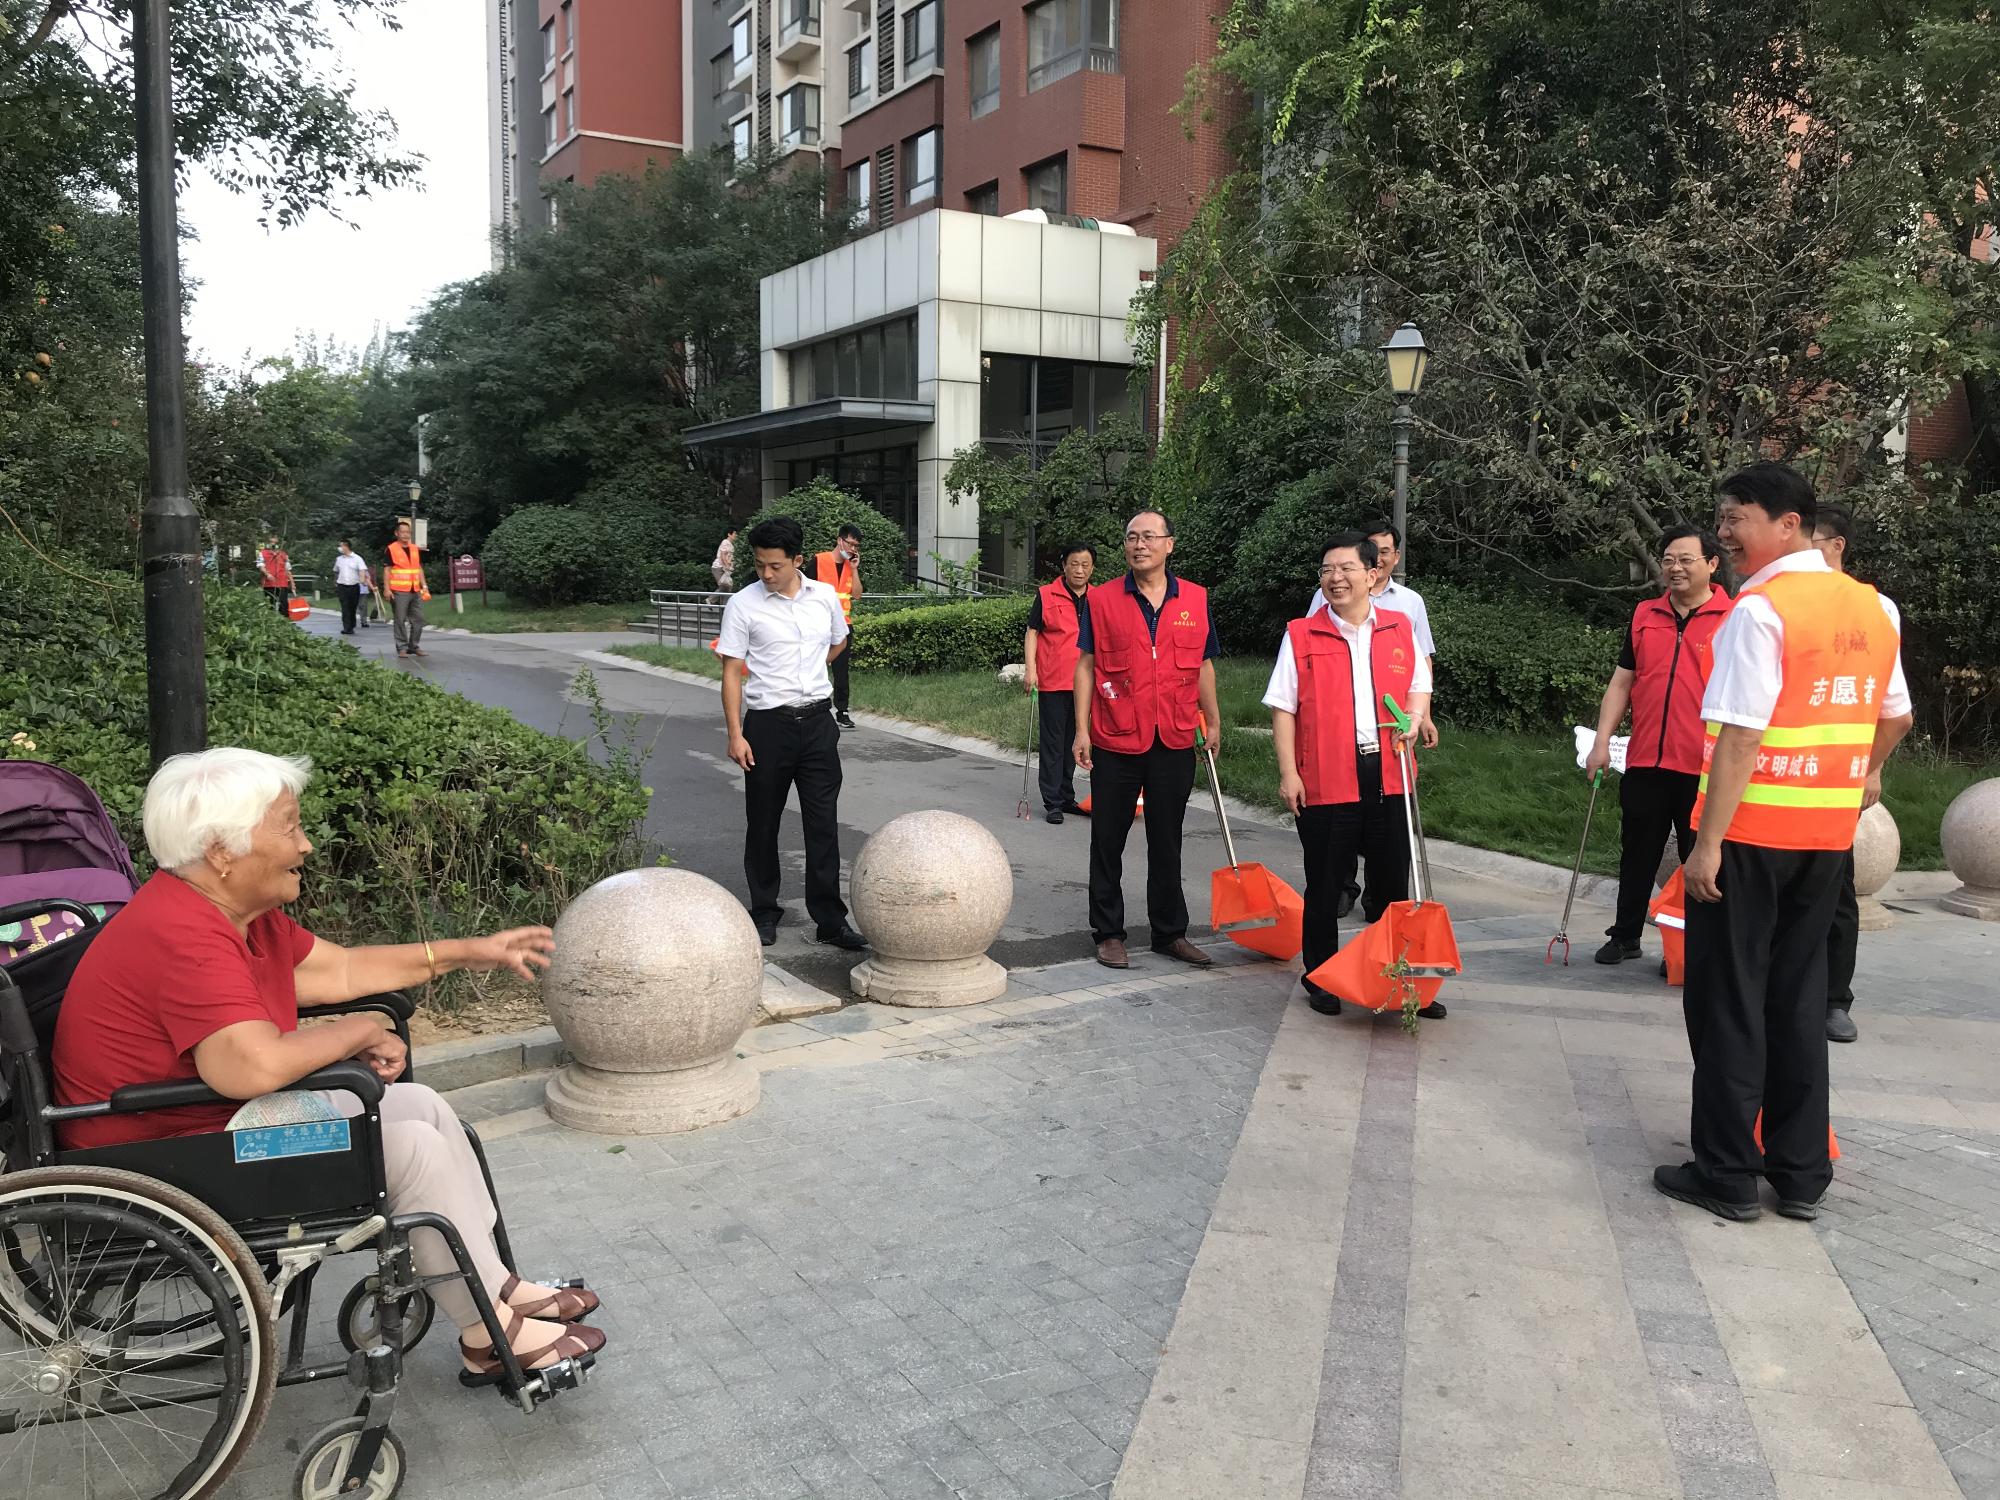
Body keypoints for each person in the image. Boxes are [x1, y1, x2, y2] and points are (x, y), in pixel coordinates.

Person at [51, 748, 607, 1382]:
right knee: (408, 1150)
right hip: (160, 1159)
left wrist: (469, 951)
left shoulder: (233, 915)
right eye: (289, 827)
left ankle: (497, 1285)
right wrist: (356, 1031)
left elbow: (341, 970)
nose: (306, 845)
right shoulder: (184, 934)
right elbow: (251, 1069)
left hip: (206, 1127)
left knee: (421, 1107)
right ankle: (487, 1333)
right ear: (222, 851)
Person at [1655, 463, 1912, 1223]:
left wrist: (1706, 845)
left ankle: (1727, 1172)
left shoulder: (1760, 610)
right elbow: (1897, 716)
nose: (1724, 535)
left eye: (1735, 518)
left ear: (1788, 523)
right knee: (1799, 999)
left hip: (1749, 839)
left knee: (1730, 1000)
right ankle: (1801, 1175)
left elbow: (1739, 736)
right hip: (1824, 838)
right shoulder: (1874, 607)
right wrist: (1859, 777)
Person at [1266, 532, 1445, 1019]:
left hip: (1389, 772)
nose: (1335, 578)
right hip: (1326, 775)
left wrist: (1414, 717)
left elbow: (1419, 684)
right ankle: (1321, 976)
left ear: (1372, 574)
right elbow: (1283, 709)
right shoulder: (1301, 634)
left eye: (1346, 568)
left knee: (1393, 887)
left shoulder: (1399, 628)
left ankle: (1400, 977)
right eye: (1327, 570)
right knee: (1326, 884)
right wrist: (1289, 773)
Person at [1073, 509, 1222, 971]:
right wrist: (1081, 729)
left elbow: (1204, 664)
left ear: (1169, 545)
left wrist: (1213, 720)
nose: (1140, 545)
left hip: (1174, 737)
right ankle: (1108, 933)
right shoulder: (1101, 599)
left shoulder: (1195, 598)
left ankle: (1170, 932)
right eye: (1132, 537)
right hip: (1116, 736)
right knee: (1107, 839)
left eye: (1150, 537)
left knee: (1167, 839)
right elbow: (1086, 666)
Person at [717, 516, 867, 952]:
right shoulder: (743, 604)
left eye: (775, 566)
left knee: (823, 824)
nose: (766, 573)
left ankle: (830, 921)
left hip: (818, 724)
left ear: (797, 560)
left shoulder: (824, 597)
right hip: (768, 726)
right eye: (759, 564)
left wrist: (812, 667)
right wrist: (735, 734)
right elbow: (731, 672)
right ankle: (764, 911)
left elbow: (839, 641)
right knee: (763, 822)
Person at [1585, 526, 1733, 964]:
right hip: (1647, 758)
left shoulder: (1733, 619)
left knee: (1699, 860)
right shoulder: (1645, 615)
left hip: (1703, 765)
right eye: (1668, 559)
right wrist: (1601, 742)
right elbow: (1622, 682)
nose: (1675, 568)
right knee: (1637, 853)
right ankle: (1626, 935)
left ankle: (1691, 949)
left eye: (1686, 559)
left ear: (1712, 564)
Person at [1811, 503, 1906, 1044]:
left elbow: (1888, 704)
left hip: (1838, 776)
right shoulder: (1777, 601)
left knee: (1836, 889)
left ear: (1837, 545)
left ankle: (1834, 1000)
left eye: (1813, 543)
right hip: (1784, 776)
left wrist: (1872, 768)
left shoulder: (1875, 609)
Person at [1306, 519, 1436, 912]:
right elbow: (1310, 651)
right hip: (1340, 737)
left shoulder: (1409, 603)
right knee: (1342, 818)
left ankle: (1384, 904)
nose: (1378, 557)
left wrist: (1421, 716)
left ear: (1392, 558)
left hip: (1390, 733)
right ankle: (1343, 889)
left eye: (1384, 551)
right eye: (1372, 549)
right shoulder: (1330, 595)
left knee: (1390, 829)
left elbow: (1421, 664)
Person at [1023, 542, 1095, 823]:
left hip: (1086, 684)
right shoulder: (1046, 594)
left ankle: (1067, 797)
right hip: (1053, 681)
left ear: (1092, 568)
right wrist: (1031, 670)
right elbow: (1032, 632)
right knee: (1053, 743)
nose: (1079, 570)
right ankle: (1052, 801)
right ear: (1064, 565)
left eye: (1085, 565)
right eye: (1074, 564)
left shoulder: (1099, 598)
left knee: (1074, 741)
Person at [811, 524, 864, 729]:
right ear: (839, 540)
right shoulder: (819, 560)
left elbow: (857, 594)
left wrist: (854, 569)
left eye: (856, 546)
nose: (853, 549)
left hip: (843, 626)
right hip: (818, 625)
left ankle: (842, 711)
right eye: (850, 544)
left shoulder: (851, 566)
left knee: (842, 672)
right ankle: (816, 707)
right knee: (816, 666)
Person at [385, 518, 430, 659]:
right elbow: (387, 570)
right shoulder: (391, 549)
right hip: (399, 590)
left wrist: (424, 585)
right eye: (403, 532)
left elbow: (418, 568)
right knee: (400, 620)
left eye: (408, 532)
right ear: (397, 533)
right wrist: (387, 589)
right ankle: (402, 648)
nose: (406, 534)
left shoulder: (414, 548)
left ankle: (414, 646)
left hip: (415, 589)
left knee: (419, 619)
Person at [332, 539, 367, 635]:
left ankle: (351, 625)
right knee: (345, 606)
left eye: (341, 546)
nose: (340, 548)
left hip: (354, 586)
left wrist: (362, 579)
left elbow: (362, 570)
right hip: (342, 586)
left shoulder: (357, 558)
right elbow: (336, 571)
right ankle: (346, 627)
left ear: (346, 547)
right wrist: (335, 581)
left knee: (352, 607)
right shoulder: (339, 559)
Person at [258, 536, 292, 616]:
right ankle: (271, 620)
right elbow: (261, 566)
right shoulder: (263, 553)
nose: (273, 544)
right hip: (269, 583)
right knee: (270, 604)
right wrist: (267, 574)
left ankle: (284, 619)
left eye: (275, 543)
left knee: (284, 604)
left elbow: (288, 569)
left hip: (282, 582)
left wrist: (292, 583)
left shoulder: (283, 554)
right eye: (271, 542)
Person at [711, 527, 737, 599]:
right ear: (729, 534)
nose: (736, 535)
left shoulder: (731, 545)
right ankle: (710, 600)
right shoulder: (725, 542)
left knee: (728, 587)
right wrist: (727, 566)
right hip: (718, 567)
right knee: (724, 586)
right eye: (734, 533)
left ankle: (723, 605)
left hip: (725, 569)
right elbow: (723, 555)